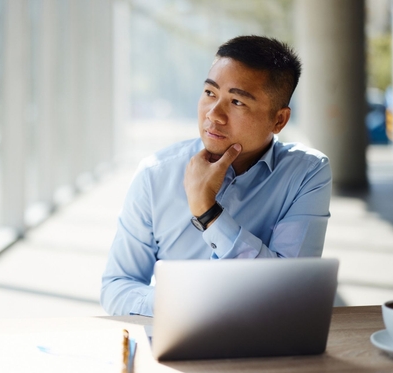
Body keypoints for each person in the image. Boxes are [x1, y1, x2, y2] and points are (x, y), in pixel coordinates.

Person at [101, 35, 332, 317]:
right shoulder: (155, 174)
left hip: (264, 344)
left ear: (279, 120)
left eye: (236, 102)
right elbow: (117, 287)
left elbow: (289, 290)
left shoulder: (307, 173)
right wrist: (187, 305)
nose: (214, 115)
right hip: (178, 339)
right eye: (210, 93)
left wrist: (207, 212)